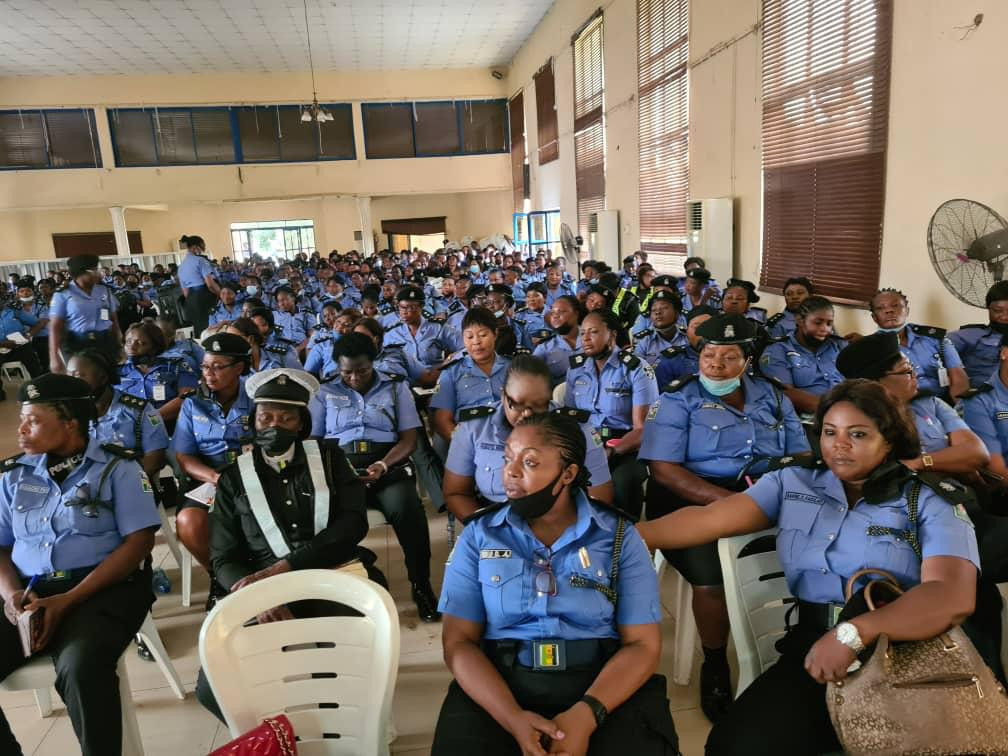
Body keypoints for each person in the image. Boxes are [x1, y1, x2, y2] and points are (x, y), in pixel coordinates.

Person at [637, 380, 982, 755]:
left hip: (907, 649)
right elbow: (711, 518)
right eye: (830, 432)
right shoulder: (794, 481)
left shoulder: (928, 499)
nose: (839, 445)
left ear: (890, 440)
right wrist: (629, 538)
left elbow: (951, 595)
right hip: (816, 640)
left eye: (858, 434)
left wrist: (856, 632)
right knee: (733, 745)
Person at [431, 412, 679, 756]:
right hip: (502, 682)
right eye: (507, 459)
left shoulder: (619, 536)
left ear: (568, 473)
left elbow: (643, 645)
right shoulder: (479, 535)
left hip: (599, 682)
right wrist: (513, 718)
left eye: (529, 462)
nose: (511, 471)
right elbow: (458, 643)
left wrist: (586, 714)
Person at [639, 313, 809, 721]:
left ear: (746, 361)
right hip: (690, 500)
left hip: (766, 495)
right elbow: (664, 469)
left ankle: (801, 645)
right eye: (709, 355)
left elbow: (800, 454)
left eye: (728, 357)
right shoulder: (678, 399)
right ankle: (714, 663)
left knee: (814, 553)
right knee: (712, 579)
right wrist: (727, 505)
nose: (716, 364)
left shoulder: (771, 395)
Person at [196, 367, 384, 721]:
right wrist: (257, 600)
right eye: (266, 417)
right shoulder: (235, 477)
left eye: (286, 418)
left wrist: (286, 568)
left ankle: (350, 725)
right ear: (254, 421)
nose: (275, 426)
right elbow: (223, 558)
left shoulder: (331, 460)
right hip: (264, 592)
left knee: (357, 656)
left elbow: (352, 524)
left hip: (333, 575)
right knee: (213, 687)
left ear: (301, 424)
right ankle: (280, 735)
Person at [0, 374, 161, 755]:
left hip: (101, 590)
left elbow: (139, 542)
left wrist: (67, 600)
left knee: (82, 668)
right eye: (22, 418)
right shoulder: (13, 476)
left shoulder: (118, 469)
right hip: (29, 591)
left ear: (70, 424)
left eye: (34, 420)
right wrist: (11, 596)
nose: (21, 428)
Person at [310, 333, 441, 621]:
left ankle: (421, 587)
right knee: (324, 518)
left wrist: (383, 464)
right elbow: (314, 441)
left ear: (374, 363)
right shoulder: (325, 392)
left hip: (387, 466)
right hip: (340, 468)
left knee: (408, 510)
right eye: (347, 372)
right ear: (337, 367)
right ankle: (334, 594)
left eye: (362, 370)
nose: (354, 378)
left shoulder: (396, 389)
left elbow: (409, 439)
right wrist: (338, 470)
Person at [443, 355, 613, 520]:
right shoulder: (474, 427)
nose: (527, 414)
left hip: (561, 522)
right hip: (494, 521)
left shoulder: (578, 429)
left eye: (539, 406)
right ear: (503, 396)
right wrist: (486, 531)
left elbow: (599, 497)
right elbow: (456, 492)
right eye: (517, 404)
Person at [171, 333, 255, 593]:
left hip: (253, 474)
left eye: (217, 367)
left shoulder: (257, 397)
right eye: (205, 366)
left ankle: (259, 576)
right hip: (211, 477)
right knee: (188, 521)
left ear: (239, 368)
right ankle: (220, 579)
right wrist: (216, 479)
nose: (209, 373)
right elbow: (184, 457)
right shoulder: (193, 403)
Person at [564, 310, 659, 519]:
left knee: (623, 482)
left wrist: (611, 451)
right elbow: (569, 418)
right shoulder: (576, 369)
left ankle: (625, 538)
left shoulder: (636, 369)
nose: (586, 339)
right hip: (586, 444)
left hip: (625, 446)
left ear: (612, 335)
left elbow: (643, 429)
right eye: (583, 333)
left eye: (594, 332)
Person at [68, 348, 169, 481]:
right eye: (68, 375)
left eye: (78, 375)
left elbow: (156, 457)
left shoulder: (140, 410)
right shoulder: (67, 413)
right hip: (82, 489)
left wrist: (124, 486)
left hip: (131, 483)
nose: (71, 382)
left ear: (103, 378)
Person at [869, 288, 968, 399]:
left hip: (944, 402)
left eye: (895, 305)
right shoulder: (871, 349)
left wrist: (957, 410)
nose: (889, 311)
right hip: (905, 406)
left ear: (907, 311)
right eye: (880, 308)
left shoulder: (935, 338)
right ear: (874, 318)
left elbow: (958, 378)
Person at [431, 307, 510, 444]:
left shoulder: (513, 368)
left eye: (483, 335)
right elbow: (442, 420)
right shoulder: (451, 372)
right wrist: (463, 447)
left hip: (508, 440)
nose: (476, 342)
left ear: (495, 334)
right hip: (468, 441)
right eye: (469, 336)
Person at [758, 296, 846, 415]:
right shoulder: (778, 350)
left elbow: (860, 381)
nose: (825, 329)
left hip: (848, 410)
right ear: (800, 320)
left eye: (829, 323)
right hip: (811, 419)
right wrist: (835, 412)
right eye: (818, 322)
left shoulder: (839, 345)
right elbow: (786, 394)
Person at [48, 253, 122, 372]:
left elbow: (114, 320)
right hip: (77, 344)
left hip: (104, 341)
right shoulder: (63, 294)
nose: (98, 273)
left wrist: (119, 344)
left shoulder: (103, 290)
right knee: (82, 381)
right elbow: (55, 327)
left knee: (109, 378)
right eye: (93, 270)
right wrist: (54, 357)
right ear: (80, 272)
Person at [118, 320, 199, 424]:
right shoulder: (118, 372)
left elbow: (188, 397)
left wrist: (151, 420)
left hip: (169, 427)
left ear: (155, 348)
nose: (132, 347)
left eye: (140, 343)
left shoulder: (177, 365)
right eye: (128, 341)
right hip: (128, 429)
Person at [950, 281, 1008, 388]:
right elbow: (935, 346)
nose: (1004, 317)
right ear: (988, 309)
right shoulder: (971, 335)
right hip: (984, 399)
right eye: (997, 311)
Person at [655, 305, 717, 387]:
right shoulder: (670, 361)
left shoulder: (734, 357)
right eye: (697, 327)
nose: (703, 333)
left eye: (710, 327)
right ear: (687, 331)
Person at [532, 294, 583, 386]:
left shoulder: (593, 338)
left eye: (561, 312)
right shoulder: (544, 349)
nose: (555, 316)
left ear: (576, 314)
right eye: (553, 312)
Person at [178, 235, 220, 337]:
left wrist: (193, 301)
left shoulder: (181, 266)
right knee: (211, 328)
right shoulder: (200, 261)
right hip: (205, 296)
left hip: (191, 301)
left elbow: (185, 292)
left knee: (199, 330)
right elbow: (210, 284)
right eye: (202, 247)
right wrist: (220, 294)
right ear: (195, 247)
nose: (202, 250)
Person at [632, 289, 688, 367]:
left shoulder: (688, 337)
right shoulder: (644, 340)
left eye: (664, 308)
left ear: (676, 313)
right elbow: (637, 370)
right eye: (653, 310)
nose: (657, 312)